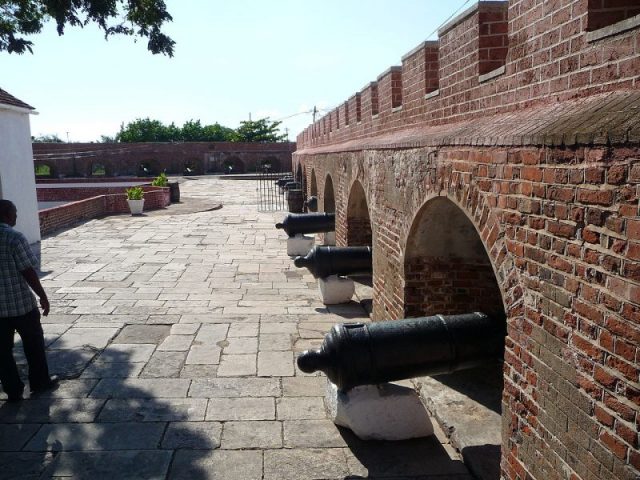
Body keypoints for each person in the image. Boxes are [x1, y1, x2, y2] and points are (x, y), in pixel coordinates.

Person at [0, 199, 56, 402]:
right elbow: (28, 271)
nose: (16, 217)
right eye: (14, 213)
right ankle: (40, 382)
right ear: (6, 214)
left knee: (2, 353)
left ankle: (12, 390)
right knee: (33, 345)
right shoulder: (14, 237)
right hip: (21, 304)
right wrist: (42, 295)